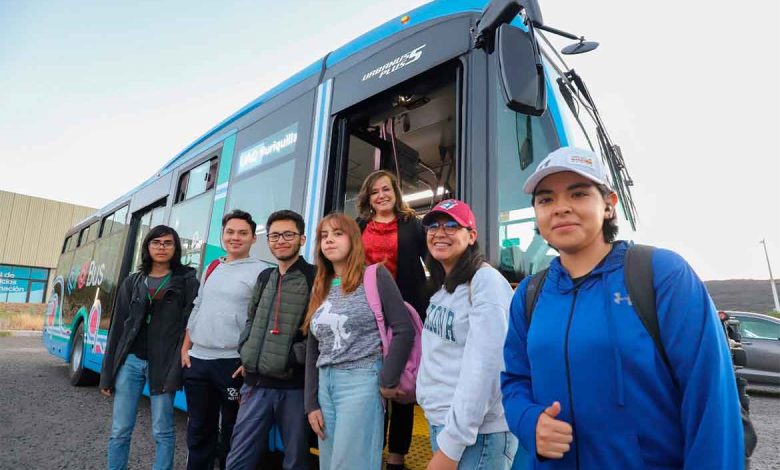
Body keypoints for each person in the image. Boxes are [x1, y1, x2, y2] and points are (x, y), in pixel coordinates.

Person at [501, 146, 744, 469]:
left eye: (578, 194)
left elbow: (712, 402)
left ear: (608, 206)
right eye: (546, 199)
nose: (560, 208)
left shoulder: (661, 275)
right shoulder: (530, 294)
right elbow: (515, 380)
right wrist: (529, 422)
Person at [303, 213, 414, 470]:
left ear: (353, 239)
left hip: (361, 381)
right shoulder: (321, 284)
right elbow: (313, 347)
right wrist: (311, 404)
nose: (329, 240)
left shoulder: (376, 276)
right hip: (325, 385)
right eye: (324, 236)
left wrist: (387, 380)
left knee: (352, 464)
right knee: (330, 464)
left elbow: (403, 329)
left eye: (337, 234)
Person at [416, 199, 518, 470]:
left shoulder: (485, 282)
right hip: (444, 423)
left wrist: (452, 446)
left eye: (452, 225)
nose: (440, 232)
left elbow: (485, 368)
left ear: (471, 236)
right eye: (433, 226)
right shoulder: (442, 290)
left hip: (477, 437)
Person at [101, 225, 199, 470]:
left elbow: (191, 323)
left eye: (168, 243)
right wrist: (107, 375)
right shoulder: (133, 281)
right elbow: (117, 330)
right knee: (120, 429)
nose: (162, 247)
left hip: (164, 364)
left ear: (176, 248)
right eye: (156, 242)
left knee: (162, 430)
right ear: (147, 247)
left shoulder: (186, 281)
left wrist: (179, 363)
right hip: (131, 362)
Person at [226, 210, 315, 470]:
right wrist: (248, 350)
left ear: (302, 238)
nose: (281, 240)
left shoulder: (315, 277)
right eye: (275, 235)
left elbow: (320, 331)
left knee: (296, 460)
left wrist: (292, 357)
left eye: (289, 234)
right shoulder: (265, 277)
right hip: (255, 384)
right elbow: (251, 319)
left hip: (294, 386)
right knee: (238, 459)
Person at [181, 210, 269, 470]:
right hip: (198, 361)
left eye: (243, 233)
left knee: (232, 431)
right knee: (198, 428)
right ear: (223, 235)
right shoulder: (213, 266)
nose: (235, 237)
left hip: (232, 363)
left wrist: (250, 358)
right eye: (230, 232)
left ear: (254, 238)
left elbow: (262, 320)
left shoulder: (262, 272)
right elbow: (198, 306)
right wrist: (186, 347)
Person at [356, 169, 429, 470]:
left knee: (402, 382)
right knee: (370, 380)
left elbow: (433, 260)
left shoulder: (413, 225)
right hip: (368, 312)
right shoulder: (359, 225)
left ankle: (397, 456)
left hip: (405, 312)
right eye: (375, 192)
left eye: (386, 189)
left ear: (396, 193)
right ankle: (370, 448)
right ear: (368, 198)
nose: (382, 195)